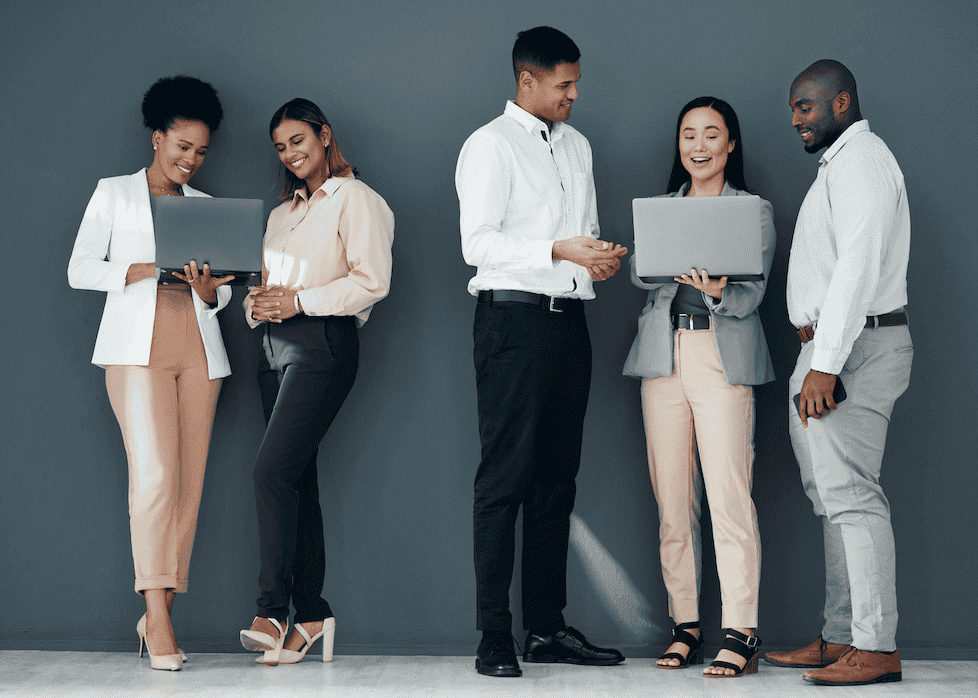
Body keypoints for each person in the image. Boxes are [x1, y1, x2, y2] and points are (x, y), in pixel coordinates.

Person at [455, 26, 628, 678]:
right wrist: (558, 251)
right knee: (504, 483)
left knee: (557, 483)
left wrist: (592, 264)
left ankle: (547, 629)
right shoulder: (489, 147)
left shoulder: (577, 146)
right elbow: (478, 244)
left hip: (567, 324)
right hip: (511, 326)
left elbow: (574, 237)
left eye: (576, 82)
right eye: (564, 84)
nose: (575, 94)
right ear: (527, 80)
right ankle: (494, 636)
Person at [67, 76, 233, 671]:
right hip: (135, 350)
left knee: (187, 483)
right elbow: (79, 268)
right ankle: (156, 615)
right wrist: (140, 268)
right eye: (182, 146)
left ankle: (160, 607)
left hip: (199, 350)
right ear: (157, 137)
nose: (191, 160)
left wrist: (211, 291)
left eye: (201, 151)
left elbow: (223, 298)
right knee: (155, 476)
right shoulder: (113, 193)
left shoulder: (208, 209)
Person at [761, 60, 911, 687]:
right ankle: (843, 637)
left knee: (852, 497)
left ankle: (875, 646)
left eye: (808, 105)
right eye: (794, 107)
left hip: (852, 349)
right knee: (833, 500)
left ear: (842, 101)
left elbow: (855, 268)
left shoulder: (861, 161)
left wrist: (824, 363)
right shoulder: (841, 164)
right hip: (832, 347)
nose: (796, 118)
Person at [238, 98, 394, 666]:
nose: (291, 153)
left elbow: (373, 282)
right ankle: (311, 613)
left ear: (325, 136)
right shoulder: (282, 216)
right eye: (281, 146)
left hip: (323, 345)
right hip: (272, 350)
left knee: (270, 470)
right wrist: (258, 303)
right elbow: (264, 293)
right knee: (296, 480)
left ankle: (271, 609)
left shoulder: (358, 200)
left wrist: (298, 300)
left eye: (299, 140)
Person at [622, 97, 775, 678]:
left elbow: (753, 295)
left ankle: (741, 631)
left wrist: (714, 290)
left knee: (730, 495)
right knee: (673, 499)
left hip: (721, 354)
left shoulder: (752, 210)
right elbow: (640, 272)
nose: (700, 146)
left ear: (731, 144)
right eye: (689, 135)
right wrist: (669, 261)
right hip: (664, 356)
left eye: (713, 135)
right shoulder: (662, 208)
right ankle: (685, 624)